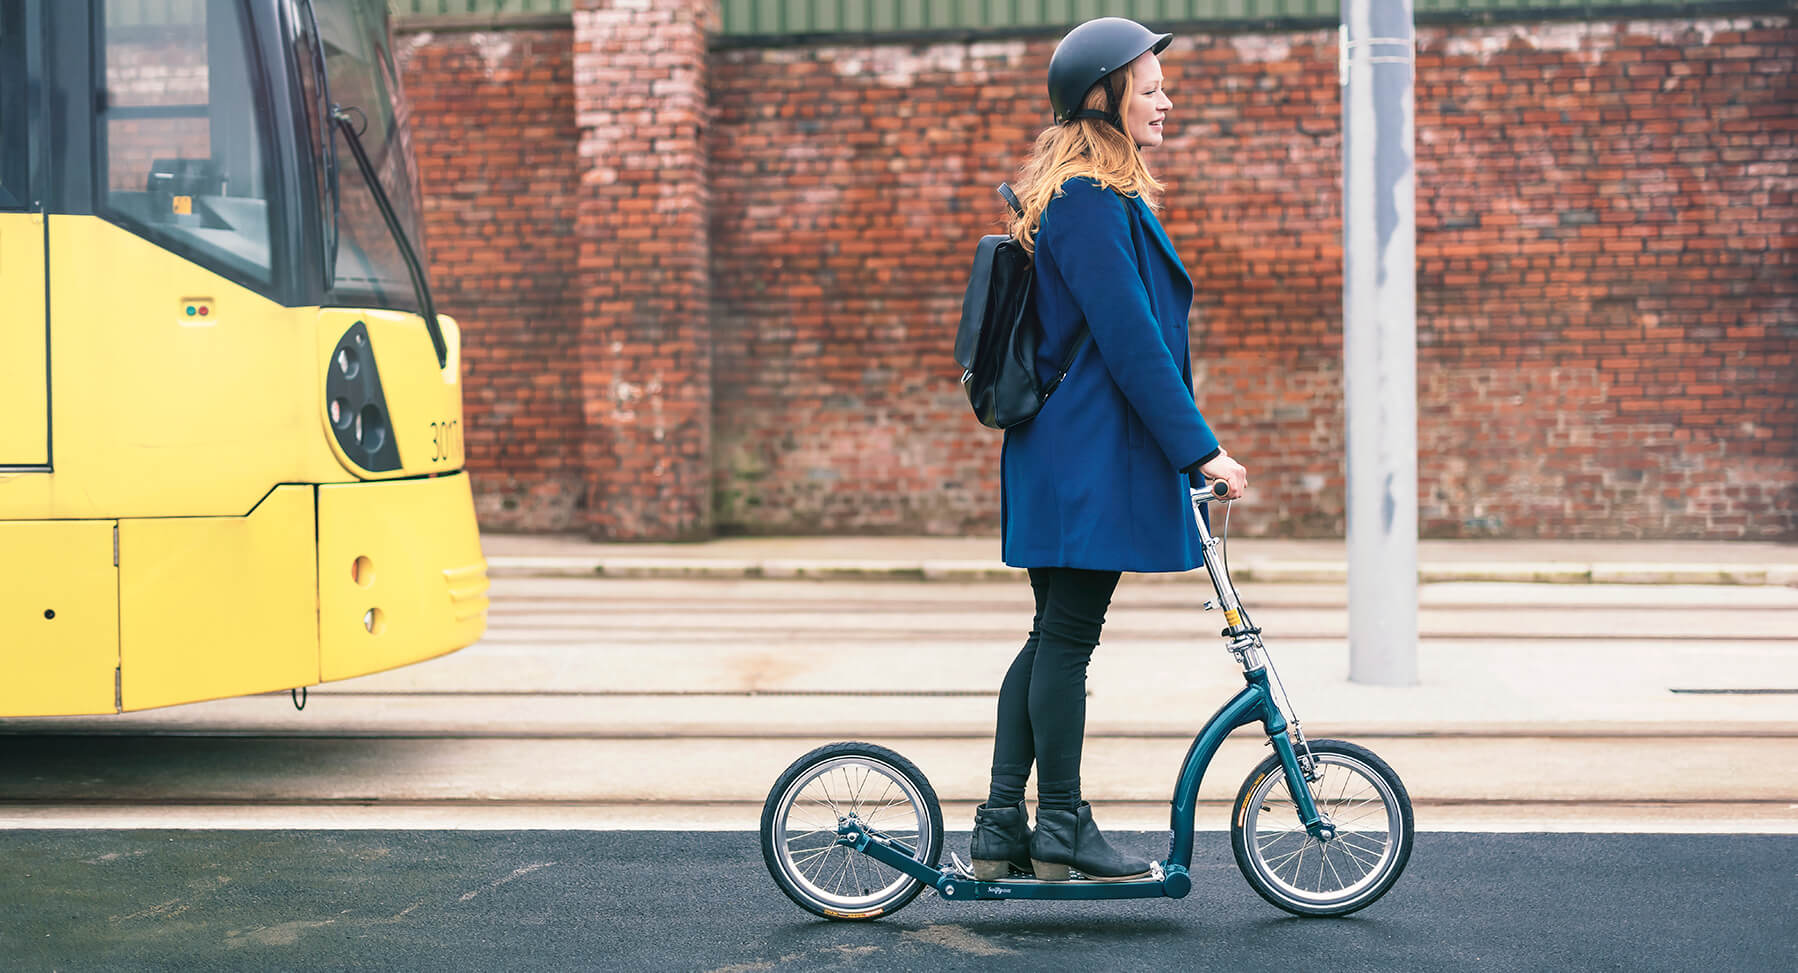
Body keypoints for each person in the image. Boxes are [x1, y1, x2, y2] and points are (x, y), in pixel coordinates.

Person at [969, 17, 1250, 883]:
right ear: (1104, 99)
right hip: (1082, 458)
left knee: (1053, 634)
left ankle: (998, 827)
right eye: (1150, 86)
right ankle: (1059, 824)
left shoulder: (1092, 198)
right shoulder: (1088, 203)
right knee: (1066, 637)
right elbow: (1132, 344)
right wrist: (1203, 452)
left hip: (1069, 454)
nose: (1165, 99)